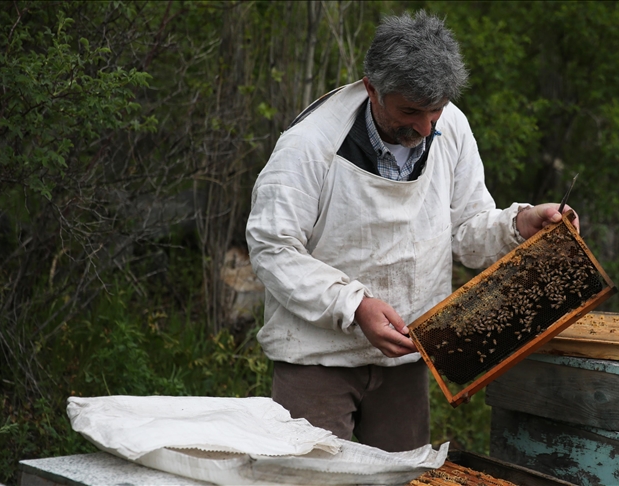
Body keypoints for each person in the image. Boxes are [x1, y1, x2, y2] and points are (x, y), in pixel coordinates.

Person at [246, 11, 578, 453]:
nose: (425, 128)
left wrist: (519, 224)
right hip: (316, 360)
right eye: (409, 111)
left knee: (401, 477)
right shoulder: (310, 145)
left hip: (408, 356)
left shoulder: (451, 126)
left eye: (435, 111)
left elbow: (465, 229)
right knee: (311, 479)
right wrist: (355, 303)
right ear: (372, 88)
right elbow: (272, 247)